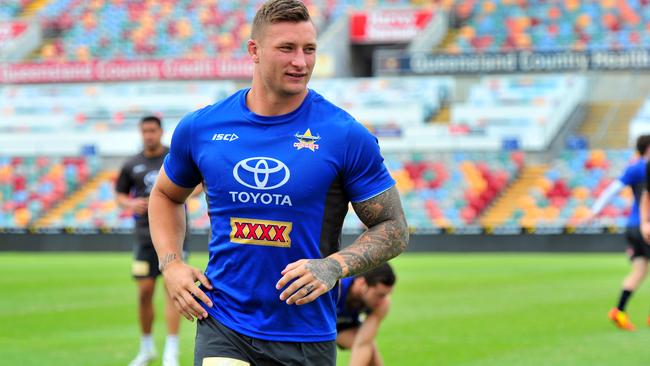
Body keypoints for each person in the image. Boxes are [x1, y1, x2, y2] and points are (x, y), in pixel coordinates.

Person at [147, 0, 409, 365]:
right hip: (223, 323)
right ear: (254, 50)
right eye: (286, 48)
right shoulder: (202, 127)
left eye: (309, 49)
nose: (300, 62)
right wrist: (171, 264)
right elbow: (164, 195)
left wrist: (333, 266)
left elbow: (393, 227)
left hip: (305, 334)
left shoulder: (344, 135)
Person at [116, 115, 188, 366]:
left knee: (173, 290)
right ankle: (146, 348)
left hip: (173, 235)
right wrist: (130, 203)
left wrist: (182, 195)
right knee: (145, 292)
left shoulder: (175, 156)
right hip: (144, 237)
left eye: (152, 130)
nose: (148, 135)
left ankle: (172, 351)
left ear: (160, 131)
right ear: (140, 133)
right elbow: (120, 194)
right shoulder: (131, 164)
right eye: (144, 131)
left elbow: (196, 182)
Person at [588, 135, 650, 331]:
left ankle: (619, 310)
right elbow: (614, 190)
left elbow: (612, 190)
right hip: (645, 225)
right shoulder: (641, 167)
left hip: (633, 225)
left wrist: (595, 210)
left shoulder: (634, 168)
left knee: (639, 270)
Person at [336, 263, 395, 366]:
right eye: (379, 295)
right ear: (361, 283)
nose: (382, 301)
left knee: (369, 350)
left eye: (386, 295)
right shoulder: (336, 287)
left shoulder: (382, 304)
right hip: (319, 325)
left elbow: (363, 343)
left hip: (344, 326)